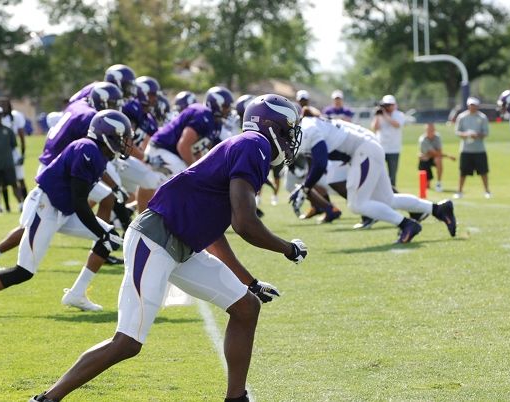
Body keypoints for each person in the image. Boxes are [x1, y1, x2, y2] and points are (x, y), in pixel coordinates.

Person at [28, 94, 308, 402]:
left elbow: (216, 233)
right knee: (127, 342)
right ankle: (46, 399)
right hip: (155, 239)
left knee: (245, 307)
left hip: (181, 246)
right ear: (272, 126)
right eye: (287, 130)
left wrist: (250, 283)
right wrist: (287, 248)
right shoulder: (254, 145)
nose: (291, 138)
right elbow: (244, 223)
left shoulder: (248, 147)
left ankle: (236, 398)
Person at [0, 110, 132, 318]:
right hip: (46, 207)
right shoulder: (86, 149)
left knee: (109, 237)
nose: (125, 142)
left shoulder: (96, 153)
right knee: (24, 271)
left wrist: (103, 230)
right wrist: (99, 230)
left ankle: (77, 294)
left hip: (62, 209)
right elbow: (80, 201)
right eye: (121, 137)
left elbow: (80, 200)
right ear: (106, 135)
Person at [0, 82, 125, 273]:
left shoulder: (77, 105)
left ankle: (102, 246)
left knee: (107, 197)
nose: (115, 108)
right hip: (59, 170)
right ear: (100, 101)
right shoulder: (90, 117)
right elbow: (92, 154)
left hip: (63, 164)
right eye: (112, 103)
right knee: (33, 225)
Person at [290, 113, 456, 243]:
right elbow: (318, 162)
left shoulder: (307, 129)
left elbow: (320, 164)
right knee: (388, 200)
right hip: (367, 147)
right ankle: (438, 209)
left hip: (362, 150)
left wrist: (305, 189)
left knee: (356, 204)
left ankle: (407, 224)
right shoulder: (308, 125)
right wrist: (306, 187)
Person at [454, 96, 491, 198]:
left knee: (483, 172)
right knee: (463, 172)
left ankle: (487, 191)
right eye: (471, 105)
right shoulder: (462, 117)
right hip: (465, 150)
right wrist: (466, 134)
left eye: (474, 105)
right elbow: (457, 132)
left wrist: (477, 135)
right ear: (468, 106)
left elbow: (486, 133)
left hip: (479, 149)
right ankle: (459, 191)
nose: (472, 107)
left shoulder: (482, 117)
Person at [371, 94, 405, 188]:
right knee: (378, 172)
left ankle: (392, 192)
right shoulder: (380, 115)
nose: (388, 107)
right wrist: (378, 115)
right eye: (386, 105)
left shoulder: (399, 115)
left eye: (389, 105)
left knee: (392, 174)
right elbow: (375, 127)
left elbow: (396, 124)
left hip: (394, 148)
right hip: (381, 147)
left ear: (394, 105)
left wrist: (385, 115)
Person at [418, 123, 456, 192]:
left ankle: (439, 183)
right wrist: (448, 156)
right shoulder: (423, 140)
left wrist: (437, 154)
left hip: (433, 157)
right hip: (424, 160)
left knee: (438, 160)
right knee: (427, 186)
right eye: (429, 130)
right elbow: (433, 153)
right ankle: (428, 182)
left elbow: (439, 152)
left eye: (432, 130)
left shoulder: (437, 137)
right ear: (426, 130)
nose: (431, 132)